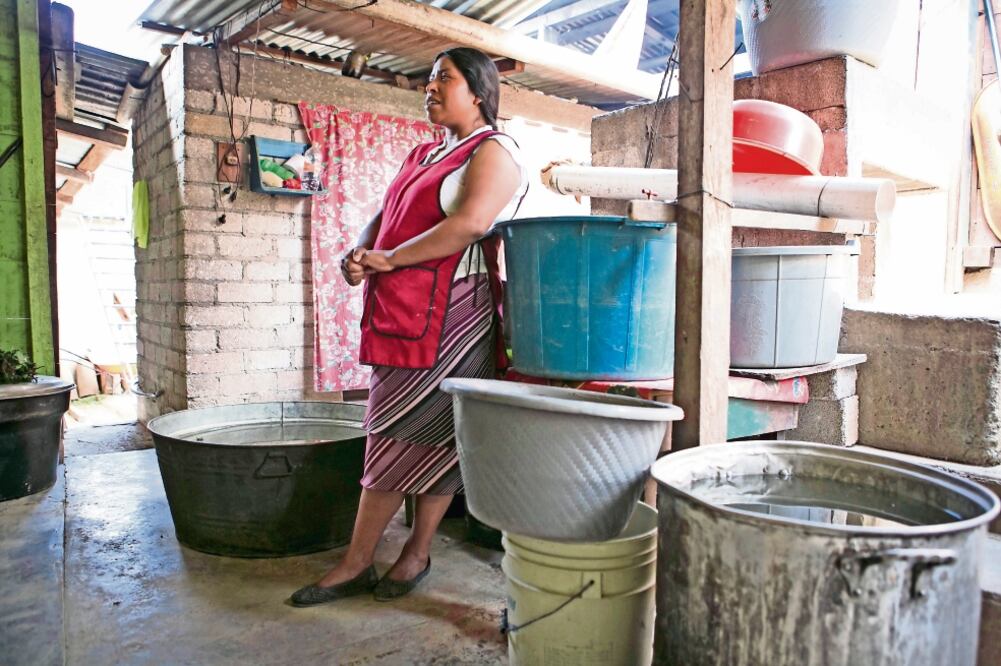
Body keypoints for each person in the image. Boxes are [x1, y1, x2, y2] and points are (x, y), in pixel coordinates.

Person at [291, 47, 528, 606]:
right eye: (427, 80)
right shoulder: (423, 153)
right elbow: (386, 213)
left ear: (478, 90)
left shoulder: (495, 151)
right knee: (404, 433)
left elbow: (470, 224)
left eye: (444, 79)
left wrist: (392, 259)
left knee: (412, 434)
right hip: (406, 311)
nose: (430, 88)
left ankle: (380, 559)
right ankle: (393, 557)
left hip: (455, 314)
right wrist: (363, 249)